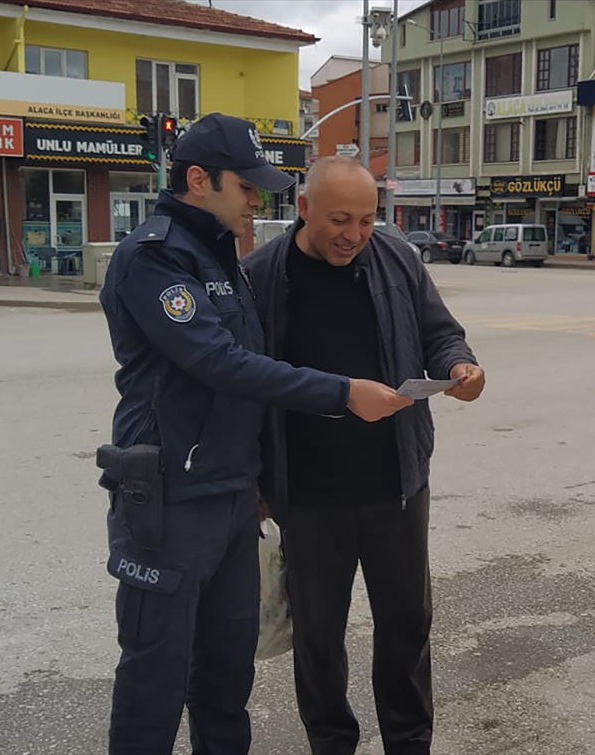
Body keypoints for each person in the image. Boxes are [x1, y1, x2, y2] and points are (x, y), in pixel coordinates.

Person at [97, 115, 413, 755]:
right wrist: (344, 392)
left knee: (225, 676)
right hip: (170, 498)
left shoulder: (221, 254)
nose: (255, 201)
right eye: (245, 187)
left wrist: (262, 478)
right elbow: (222, 363)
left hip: (235, 496)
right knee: (154, 679)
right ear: (197, 179)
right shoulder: (153, 258)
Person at [243, 156, 485, 755]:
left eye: (368, 219)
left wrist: (459, 363)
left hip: (395, 485)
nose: (353, 234)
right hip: (308, 493)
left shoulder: (397, 259)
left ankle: (408, 741)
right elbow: (244, 383)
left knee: (406, 627)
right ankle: (331, 742)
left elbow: (438, 331)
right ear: (302, 211)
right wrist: (253, 479)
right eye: (339, 220)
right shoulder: (260, 276)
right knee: (319, 638)